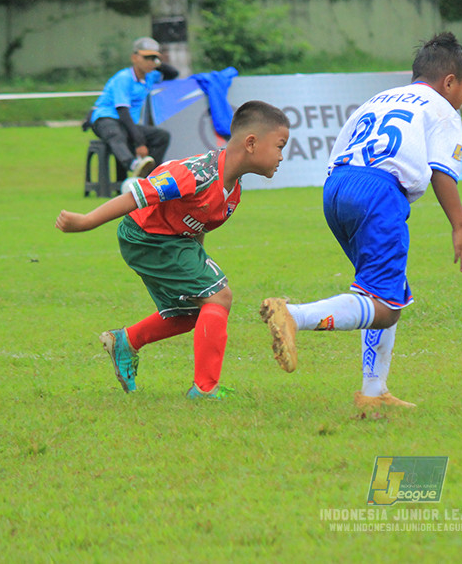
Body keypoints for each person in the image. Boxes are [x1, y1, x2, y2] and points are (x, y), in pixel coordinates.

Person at [260, 32, 462, 410]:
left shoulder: (379, 99)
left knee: (385, 291)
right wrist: (459, 226)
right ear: (449, 82)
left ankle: (374, 392)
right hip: (378, 193)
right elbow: (442, 172)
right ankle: (293, 315)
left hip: (337, 188)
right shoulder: (441, 108)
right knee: (385, 307)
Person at [56, 101, 291, 399]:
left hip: (173, 241)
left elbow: (198, 227)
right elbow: (137, 196)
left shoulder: (233, 191)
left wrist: (198, 271)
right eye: (280, 146)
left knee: (192, 312)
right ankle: (205, 389)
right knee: (219, 296)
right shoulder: (196, 174)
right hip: (146, 237)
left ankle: (126, 341)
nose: (282, 156)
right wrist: (86, 221)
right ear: (252, 143)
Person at [88, 36, 178, 180]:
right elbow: (122, 111)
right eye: (146, 57)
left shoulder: (150, 77)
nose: (150, 61)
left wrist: (156, 63)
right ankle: (133, 165)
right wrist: (139, 142)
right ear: (134, 58)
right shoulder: (124, 78)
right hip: (105, 119)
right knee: (116, 133)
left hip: (125, 123)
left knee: (161, 136)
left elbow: (173, 73)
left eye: (153, 58)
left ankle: (149, 178)